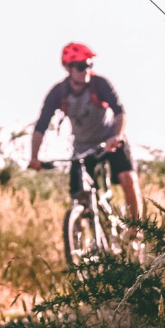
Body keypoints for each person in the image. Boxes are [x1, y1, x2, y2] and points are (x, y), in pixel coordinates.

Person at [29, 42, 141, 221]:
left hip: (110, 141)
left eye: (90, 65)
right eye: (81, 67)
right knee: (79, 197)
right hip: (82, 148)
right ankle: (78, 234)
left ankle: (137, 228)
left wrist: (117, 136)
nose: (87, 70)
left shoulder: (100, 84)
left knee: (128, 179)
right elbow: (41, 126)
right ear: (68, 68)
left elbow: (120, 112)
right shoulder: (58, 92)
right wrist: (34, 157)